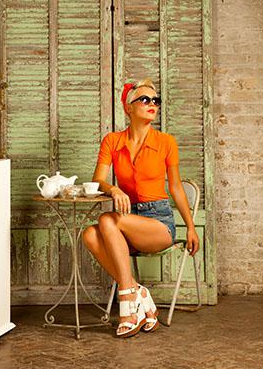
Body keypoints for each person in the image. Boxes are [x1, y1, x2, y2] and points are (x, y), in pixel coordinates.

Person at [82, 78, 200, 338]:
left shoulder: (166, 142)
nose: (152, 104)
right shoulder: (112, 141)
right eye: (145, 99)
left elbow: (176, 188)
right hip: (127, 221)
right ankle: (138, 292)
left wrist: (191, 227)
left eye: (156, 100)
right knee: (89, 234)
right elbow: (97, 181)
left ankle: (127, 304)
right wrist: (113, 189)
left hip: (158, 223)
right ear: (129, 108)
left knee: (107, 220)